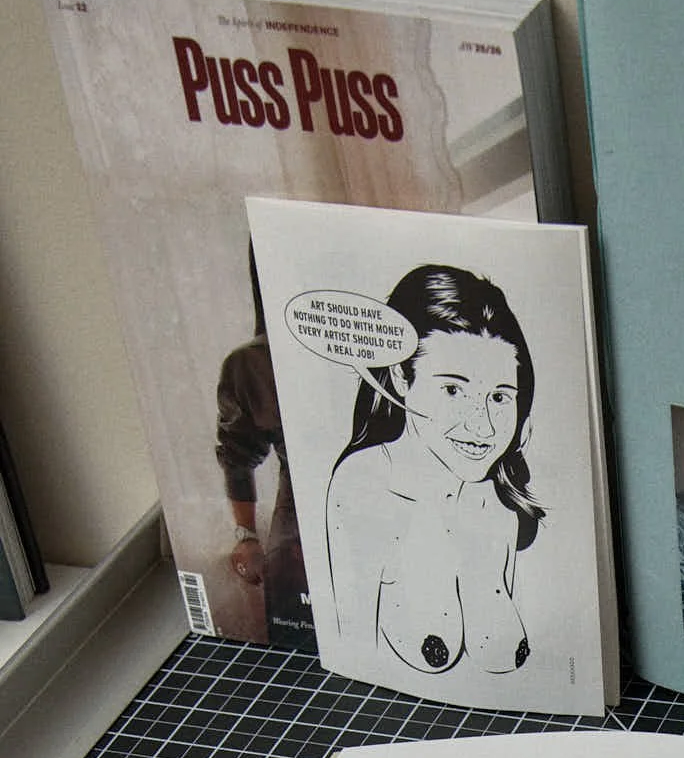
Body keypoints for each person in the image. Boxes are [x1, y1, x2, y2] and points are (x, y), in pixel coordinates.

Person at [325, 265, 544, 680]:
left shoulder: (500, 495)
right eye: (452, 390)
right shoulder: (366, 485)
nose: (481, 425)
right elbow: (353, 658)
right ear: (398, 377)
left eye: (499, 397)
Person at [216, 248, 314, 650]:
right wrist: (246, 536)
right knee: (295, 618)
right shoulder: (251, 365)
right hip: (299, 509)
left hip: (392, 490)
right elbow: (237, 452)